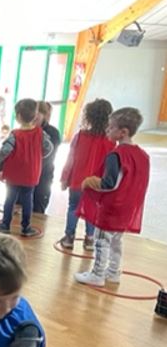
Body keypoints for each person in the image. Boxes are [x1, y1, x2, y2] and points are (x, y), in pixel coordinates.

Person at [74, 107, 150, 287]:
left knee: (102, 240)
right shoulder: (142, 155)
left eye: (110, 127)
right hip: (128, 206)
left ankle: (97, 274)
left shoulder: (117, 155)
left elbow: (109, 184)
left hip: (111, 207)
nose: (107, 130)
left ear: (123, 132)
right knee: (116, 241)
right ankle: (113, 272)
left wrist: (89, 182)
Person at [0, 99, 53, 237]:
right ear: (35, 115)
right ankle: (26, 227)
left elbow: (5, 150)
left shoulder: (15, 134)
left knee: (10, 199)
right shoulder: (40, 133)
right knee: (27, 200)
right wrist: (39, 156)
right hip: (31, 173)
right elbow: (49, 147)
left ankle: (5, 224)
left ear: (18, 116)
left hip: (14, 174)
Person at [59, 99, 114, 251]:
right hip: (97, 184)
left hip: (78, 182)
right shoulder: (110, 142)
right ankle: (90, 239)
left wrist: (64, 178)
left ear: (88, 116)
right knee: (93, 210)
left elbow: (70, 159)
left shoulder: (80, 136)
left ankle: (69, 237)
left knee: (73, 207)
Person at [32, 102, 61, 214]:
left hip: (42, 177)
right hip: (24, 179)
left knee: (38, 209)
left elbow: (49, 156)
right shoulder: (25, 130)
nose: (34, 118)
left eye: (37, 115)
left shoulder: (52, 133)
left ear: (43, 115)